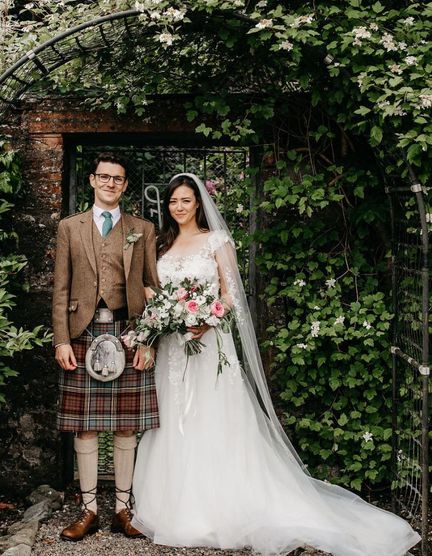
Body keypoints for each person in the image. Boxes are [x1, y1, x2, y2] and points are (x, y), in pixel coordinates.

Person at [131, 173, 420, 555]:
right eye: (172, 202)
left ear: (198, 203)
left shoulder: (217, 241)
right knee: (171, 418)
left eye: (185, 200)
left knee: (212, 418)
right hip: (172, 348)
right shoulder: (160, 242)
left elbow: (231, 293)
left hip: (208, 342)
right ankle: (170, 502)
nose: (178, 207)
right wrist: (162, 317)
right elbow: (151, 288)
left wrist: (207, 317)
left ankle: (218, 506)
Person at [52, 152, 159, 541]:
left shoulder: (142, 229)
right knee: (84, 428)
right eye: (104, 177)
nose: (111, 183)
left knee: (127, 426)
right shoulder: (69, 227)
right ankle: (88, 510)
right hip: (82, 334)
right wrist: (61, 339)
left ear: (125, 185)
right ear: (93, 181)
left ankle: (123, 510)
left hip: (128, 330)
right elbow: (60, 288)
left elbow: (153, 289)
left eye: (118, 178)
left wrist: (148, 339)